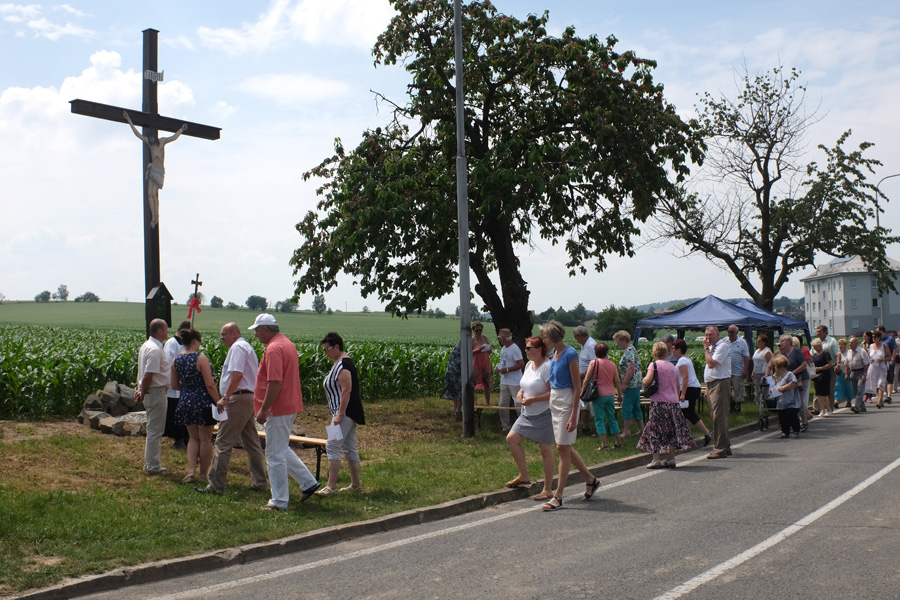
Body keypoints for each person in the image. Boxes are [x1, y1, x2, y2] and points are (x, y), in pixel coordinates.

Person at [250, 314, 320, 510]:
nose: (256, 334)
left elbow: (275, 382)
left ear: (266, 329)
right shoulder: (286, 344)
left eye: (257, 330)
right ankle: (308, 482)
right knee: (280, 448)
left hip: (278, 408)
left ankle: (279, 501)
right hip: (288, 404)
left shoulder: (273, 349)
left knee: (274, 455)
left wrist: (264, 409)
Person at [197, 322, 267, 495]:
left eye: (224, 335)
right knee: (251, 442)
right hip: (247, 397)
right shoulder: (245, 347)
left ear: (234, 333)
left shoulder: (237, 348)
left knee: (223, 441)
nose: (222, 338)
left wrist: (226, 397)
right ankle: (259, 482)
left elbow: (237, 374)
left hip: (238, 398)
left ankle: (215, 485)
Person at [539, 320, 600, 511]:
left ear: (553, 336)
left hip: (566, 402)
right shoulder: (554, 353)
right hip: (556, 402)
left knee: (562, 449)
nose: (543, 340)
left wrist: (574, 415)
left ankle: (558, 496)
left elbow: (576, 386)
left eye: (545, 336)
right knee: (564, 447)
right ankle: (590, 480)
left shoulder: (570, 353)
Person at [505, 336, 556, 502]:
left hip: (545, 413)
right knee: (512, 439)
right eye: (526, 348)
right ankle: (524, 475)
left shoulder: (547, 367)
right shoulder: (529, 365)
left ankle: (548, 489)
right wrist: (521, 393)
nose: (525, 351)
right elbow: (524, 385)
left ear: (539, 350)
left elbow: (554, 393)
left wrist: (534, 399)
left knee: (545, 450)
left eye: (528, 348)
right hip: (528, 413)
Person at [315, 332, 366, 495]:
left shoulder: (343, 364)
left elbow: (346, 390)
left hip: (344, 414)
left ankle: (331, 486)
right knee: (349, 448)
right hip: (344, 414)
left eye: (327, 349)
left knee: (332, 445)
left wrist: (339, 415)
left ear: (336, 347)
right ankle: (356, 485)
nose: (325, 353)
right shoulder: (339, 362)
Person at [170, 328, 219, 483]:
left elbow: (174, 385)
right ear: (194, 341)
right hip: (203, 401)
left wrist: (187, 387)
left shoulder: (176, 360)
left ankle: (191, 471)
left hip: (185, 401)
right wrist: (218, 401)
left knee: (192, 438)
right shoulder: (201, 359)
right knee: (205, 439)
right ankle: (203, 474)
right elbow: (210, 384)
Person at [124, 111, 187, 228]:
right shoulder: (149, 143)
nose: (152, 143)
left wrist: (181, 129)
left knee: (154, 194)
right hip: (152, 168)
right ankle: (154, 217)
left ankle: (156, 215)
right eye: (151, 142)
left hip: (159, 170)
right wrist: (129, 120)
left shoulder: (162, 141)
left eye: (153, 141)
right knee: (150, 194)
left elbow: (174, 137)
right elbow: (137, 134)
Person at [638, 342, 695, 468]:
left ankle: (656, 459)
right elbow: (677, 386)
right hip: (673, 403)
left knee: (655, 430)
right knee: (672, 430)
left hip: (659, 402)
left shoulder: (654, 365)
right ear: (666, 353)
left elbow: (647, 381)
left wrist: (643, 379)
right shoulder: (673, 367)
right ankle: (671, 459)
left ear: (654, 353)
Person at [135, 318, 170, 475]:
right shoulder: (155, 349)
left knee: (152, 430)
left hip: (150, 391)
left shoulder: (146, 346)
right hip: (156, 392)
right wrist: (142, 392)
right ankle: (153, 466)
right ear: (160, 331)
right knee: (155, 432)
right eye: (166, 329)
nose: (167, 332)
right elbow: (149, 374)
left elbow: (141, 372)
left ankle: (149, 463)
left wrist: (140, 389)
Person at [579, 342, 623, 451]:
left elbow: (586, 379)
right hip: (610, 394)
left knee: (599, 419)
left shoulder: (594, 363)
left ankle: (604, 444)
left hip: (598, 394)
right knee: (611, 418)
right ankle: (618, 441)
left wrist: (582, 392)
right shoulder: (612, 364)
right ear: (607, 352)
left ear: (596, 352)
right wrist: (620, 394)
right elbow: (617, 380)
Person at [673, 339, 712, 446]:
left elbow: (685, 377)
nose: (672, 351)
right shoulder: (685, 359)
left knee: (688, 413)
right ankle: (684, 437)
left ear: (679, 350)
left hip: (690, 388)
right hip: (692, 388)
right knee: (685, 413)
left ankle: (707, 432)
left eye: (673, 349)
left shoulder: (682, 361)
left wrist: (683, 394)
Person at [703, 325, 731, 459]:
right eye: (706, 335)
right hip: (712, 383)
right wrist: (707, 388)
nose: (708, 337)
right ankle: (725, 446)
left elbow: (711, 364)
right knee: (715, 416)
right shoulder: (712, 348)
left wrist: (706, 348)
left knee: (719, 416)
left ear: (718, 335)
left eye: (711, 334)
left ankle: (720, 448)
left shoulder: (722, 346)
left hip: (720, 383)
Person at [163, 320, 191, 450]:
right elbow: (169, 363)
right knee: (174, 413)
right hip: (174, 386)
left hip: (183, 386)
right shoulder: (172, 343)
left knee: (183, 414)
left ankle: (185, 437)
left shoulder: (185, 344)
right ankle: (177, 438)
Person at [613, 330, 644, 438]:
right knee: (636, 406)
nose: (618, 344)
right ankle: (642, 429)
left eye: (618, 342)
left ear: (623, 340)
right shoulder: (631, 349)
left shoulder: (629, 351)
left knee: (627, 405)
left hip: (631, 384)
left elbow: (630, 368)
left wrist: (624, 384)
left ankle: (626, 430)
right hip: (636, 383)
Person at [495, 328, 524, 433]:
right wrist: (498, 368)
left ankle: (522, 427)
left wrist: (507, 370)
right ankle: (505, 427)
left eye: (500, 338)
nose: (499, 340)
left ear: (504, 339)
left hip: (514, 382)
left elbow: (521, 364)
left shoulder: (514, 349)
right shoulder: (504, 348)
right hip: (504, 381)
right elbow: (504, 362)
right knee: (502, 405)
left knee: (518, 404)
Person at [780, 335, 811, 431]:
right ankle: (792, 423)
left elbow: (804, 364)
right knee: (790, 401)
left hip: (801, 379)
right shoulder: (784, 353)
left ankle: (804, 422)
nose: (781, 343)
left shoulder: (796, 351)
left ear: (789, 342)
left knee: (799, 400)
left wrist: (792, 373)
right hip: (790, 381)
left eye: (783, 341)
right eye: (780, 341)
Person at [770, 355, 802, 438]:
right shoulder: (777, 376)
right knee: (782, 417)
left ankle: (796, 430)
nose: (775, 368)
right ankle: (785, 432)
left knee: (791, 416)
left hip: (792, 402)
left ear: (780, 366)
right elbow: (776, 386)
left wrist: (783, 388)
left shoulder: (789, 374)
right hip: (781, 401)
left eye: (775, 366)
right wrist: (773, 388)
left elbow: (794, 383)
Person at [573, 326, 597, 436]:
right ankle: (585, 426)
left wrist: (584, 373)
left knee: (591, 404)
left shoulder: (591, 345)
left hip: (590, 380)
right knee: (584, 403)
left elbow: (595, 363)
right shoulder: (584, 345)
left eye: (576, 338)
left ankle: (597, 429)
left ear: (579, 336)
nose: (576, 340)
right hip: (584, 379)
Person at [727, 325, 750, 413]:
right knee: (727, 391)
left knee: (738, 390)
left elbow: (746, 357)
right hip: (727, 371)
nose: (730, 334)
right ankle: (731, 403)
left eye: (732, 332)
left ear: (737, 332)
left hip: (738, 371)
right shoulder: (725, 341)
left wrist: (745, 369)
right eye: (729, 332)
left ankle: (738, 408)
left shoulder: (742, 342)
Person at [816, 325, 840, 410]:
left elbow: (838, 353)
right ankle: (818, 408)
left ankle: (829, 408)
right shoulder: (816, 342)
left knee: (830, 388)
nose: (818, 333)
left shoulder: (832, 341)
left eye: (819, 331)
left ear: (825, 332)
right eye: (817, 331)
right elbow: (812, 353)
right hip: (818, 369)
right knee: (818, 389)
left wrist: (838, 364)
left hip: (830, 368)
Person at [810, 339, 833, 417]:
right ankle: (822, 409)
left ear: (819, 346)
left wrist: (820, 368)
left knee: (824, 393)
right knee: (818, 394)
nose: (814, 348)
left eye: (815, 346)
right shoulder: (815, 355)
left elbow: (830, 364)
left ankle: (828, 409)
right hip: (816, 375)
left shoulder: (825, 353)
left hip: (824, 374)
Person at [471, 321, 493, 406]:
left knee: (486, 384)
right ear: (473, 331)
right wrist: (478, 349)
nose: (478, 332)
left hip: (485, 363)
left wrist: (488, 349)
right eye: (476, 330)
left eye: (480, 330)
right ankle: (472, 403)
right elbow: (469, 353)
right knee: (473, 383)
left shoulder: (485, 338)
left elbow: (490, 351)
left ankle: (488, 403)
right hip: (476, 363)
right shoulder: (472, 339)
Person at [846, 336, 870, 413]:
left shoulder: (862, 351)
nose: (850, 344)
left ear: (857, 343)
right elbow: (847, 364)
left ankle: (856, 406)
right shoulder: (848, 352)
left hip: (861, 372)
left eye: (852, 342)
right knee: (855, 391)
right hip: (853, 373)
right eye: (849, 342)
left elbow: (866, 364)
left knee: (860, 390)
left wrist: (864, 374)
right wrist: (846, 374)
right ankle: (862, 407)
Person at [866, 330, 889, 409]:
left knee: (881, 384)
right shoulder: (871, 346)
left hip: (882, 367)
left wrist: (882, 360)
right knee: (876, 385)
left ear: (879, 338)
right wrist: (870, 359)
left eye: (875, 337)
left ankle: (879, 402)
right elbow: (868, 357)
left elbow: (889, 357)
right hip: (873, 368)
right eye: (872, 337)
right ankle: (881, 400)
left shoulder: (884, 346)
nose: (873, 338)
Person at [441, 342, 462, 420]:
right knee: (462, 390)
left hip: (450, 372)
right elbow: (461, 362)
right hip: (456, 372)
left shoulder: (457, 347)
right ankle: (458, 410)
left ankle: (456, 409)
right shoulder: (463, 348)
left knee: (455, 391)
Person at [751, 334, 773, 406]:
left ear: (764, 342)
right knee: (757, 389)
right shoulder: (757, 351)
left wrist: (767, 374)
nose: (758, 342)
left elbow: (770, 363)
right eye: (757, 341)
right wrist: (753, 372)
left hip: (764, 373)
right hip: (757, 372)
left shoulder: (767, 351)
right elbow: (755, 362)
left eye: (759, 341)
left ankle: (765, 403)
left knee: (764, 390)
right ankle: (758, 403)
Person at [833, 338, 854, 410]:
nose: (840, 346)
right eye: (839, 344)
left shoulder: (849, 352)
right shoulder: (837, 353)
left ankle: (849, 401)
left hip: (847, 372)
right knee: (838, 387)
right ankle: (836, 402)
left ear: (845, 345)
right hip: (839, 373)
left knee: (848, 387)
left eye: (841, 344)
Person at [877, 325, 896, 398]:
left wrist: (892, 360)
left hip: (889, 361)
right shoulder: (878, 340)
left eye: (878, 331)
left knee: (889, 378)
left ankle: (889, 396)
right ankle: (886, 393)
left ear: (881, 331)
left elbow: (894, 349)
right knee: (883, 379)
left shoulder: (890, 339)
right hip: (881, 362)